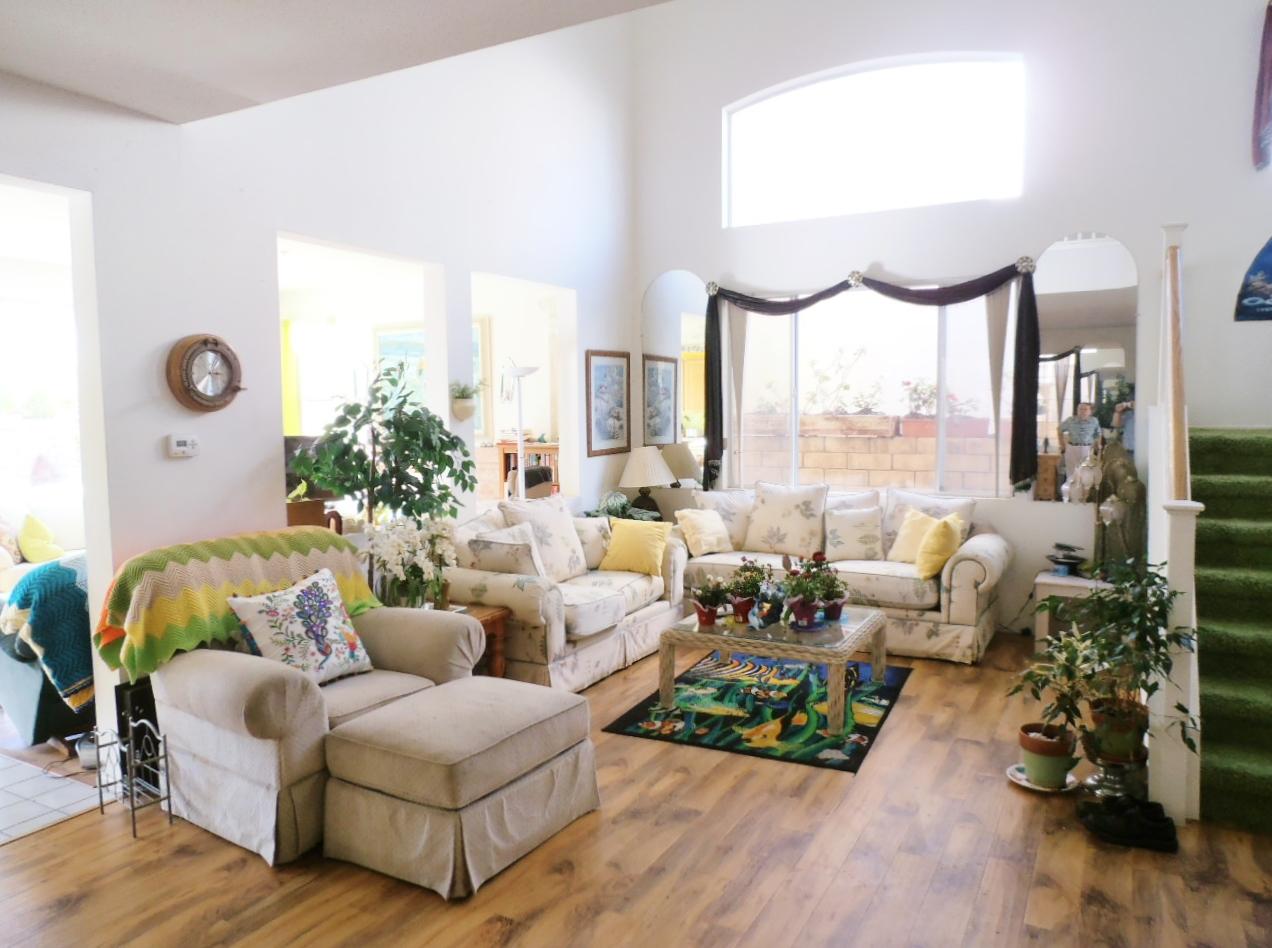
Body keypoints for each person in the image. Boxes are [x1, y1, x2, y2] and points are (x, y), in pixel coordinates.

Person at [1058, 402, 1101, 500]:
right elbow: (1060, 430)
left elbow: (1098, 434)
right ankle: (1072, 498)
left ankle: (1083, 498)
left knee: (1085, 474)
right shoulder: (1070, 420)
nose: (1082, 411)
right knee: (1071, 473)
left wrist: (1098, 445)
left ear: (1090, 411)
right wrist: (1062, 444)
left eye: (1085, 409)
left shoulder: (1094, 421)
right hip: (1072, 448)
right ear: (1077, 410)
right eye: (1080, 409)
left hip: (1087, 449)